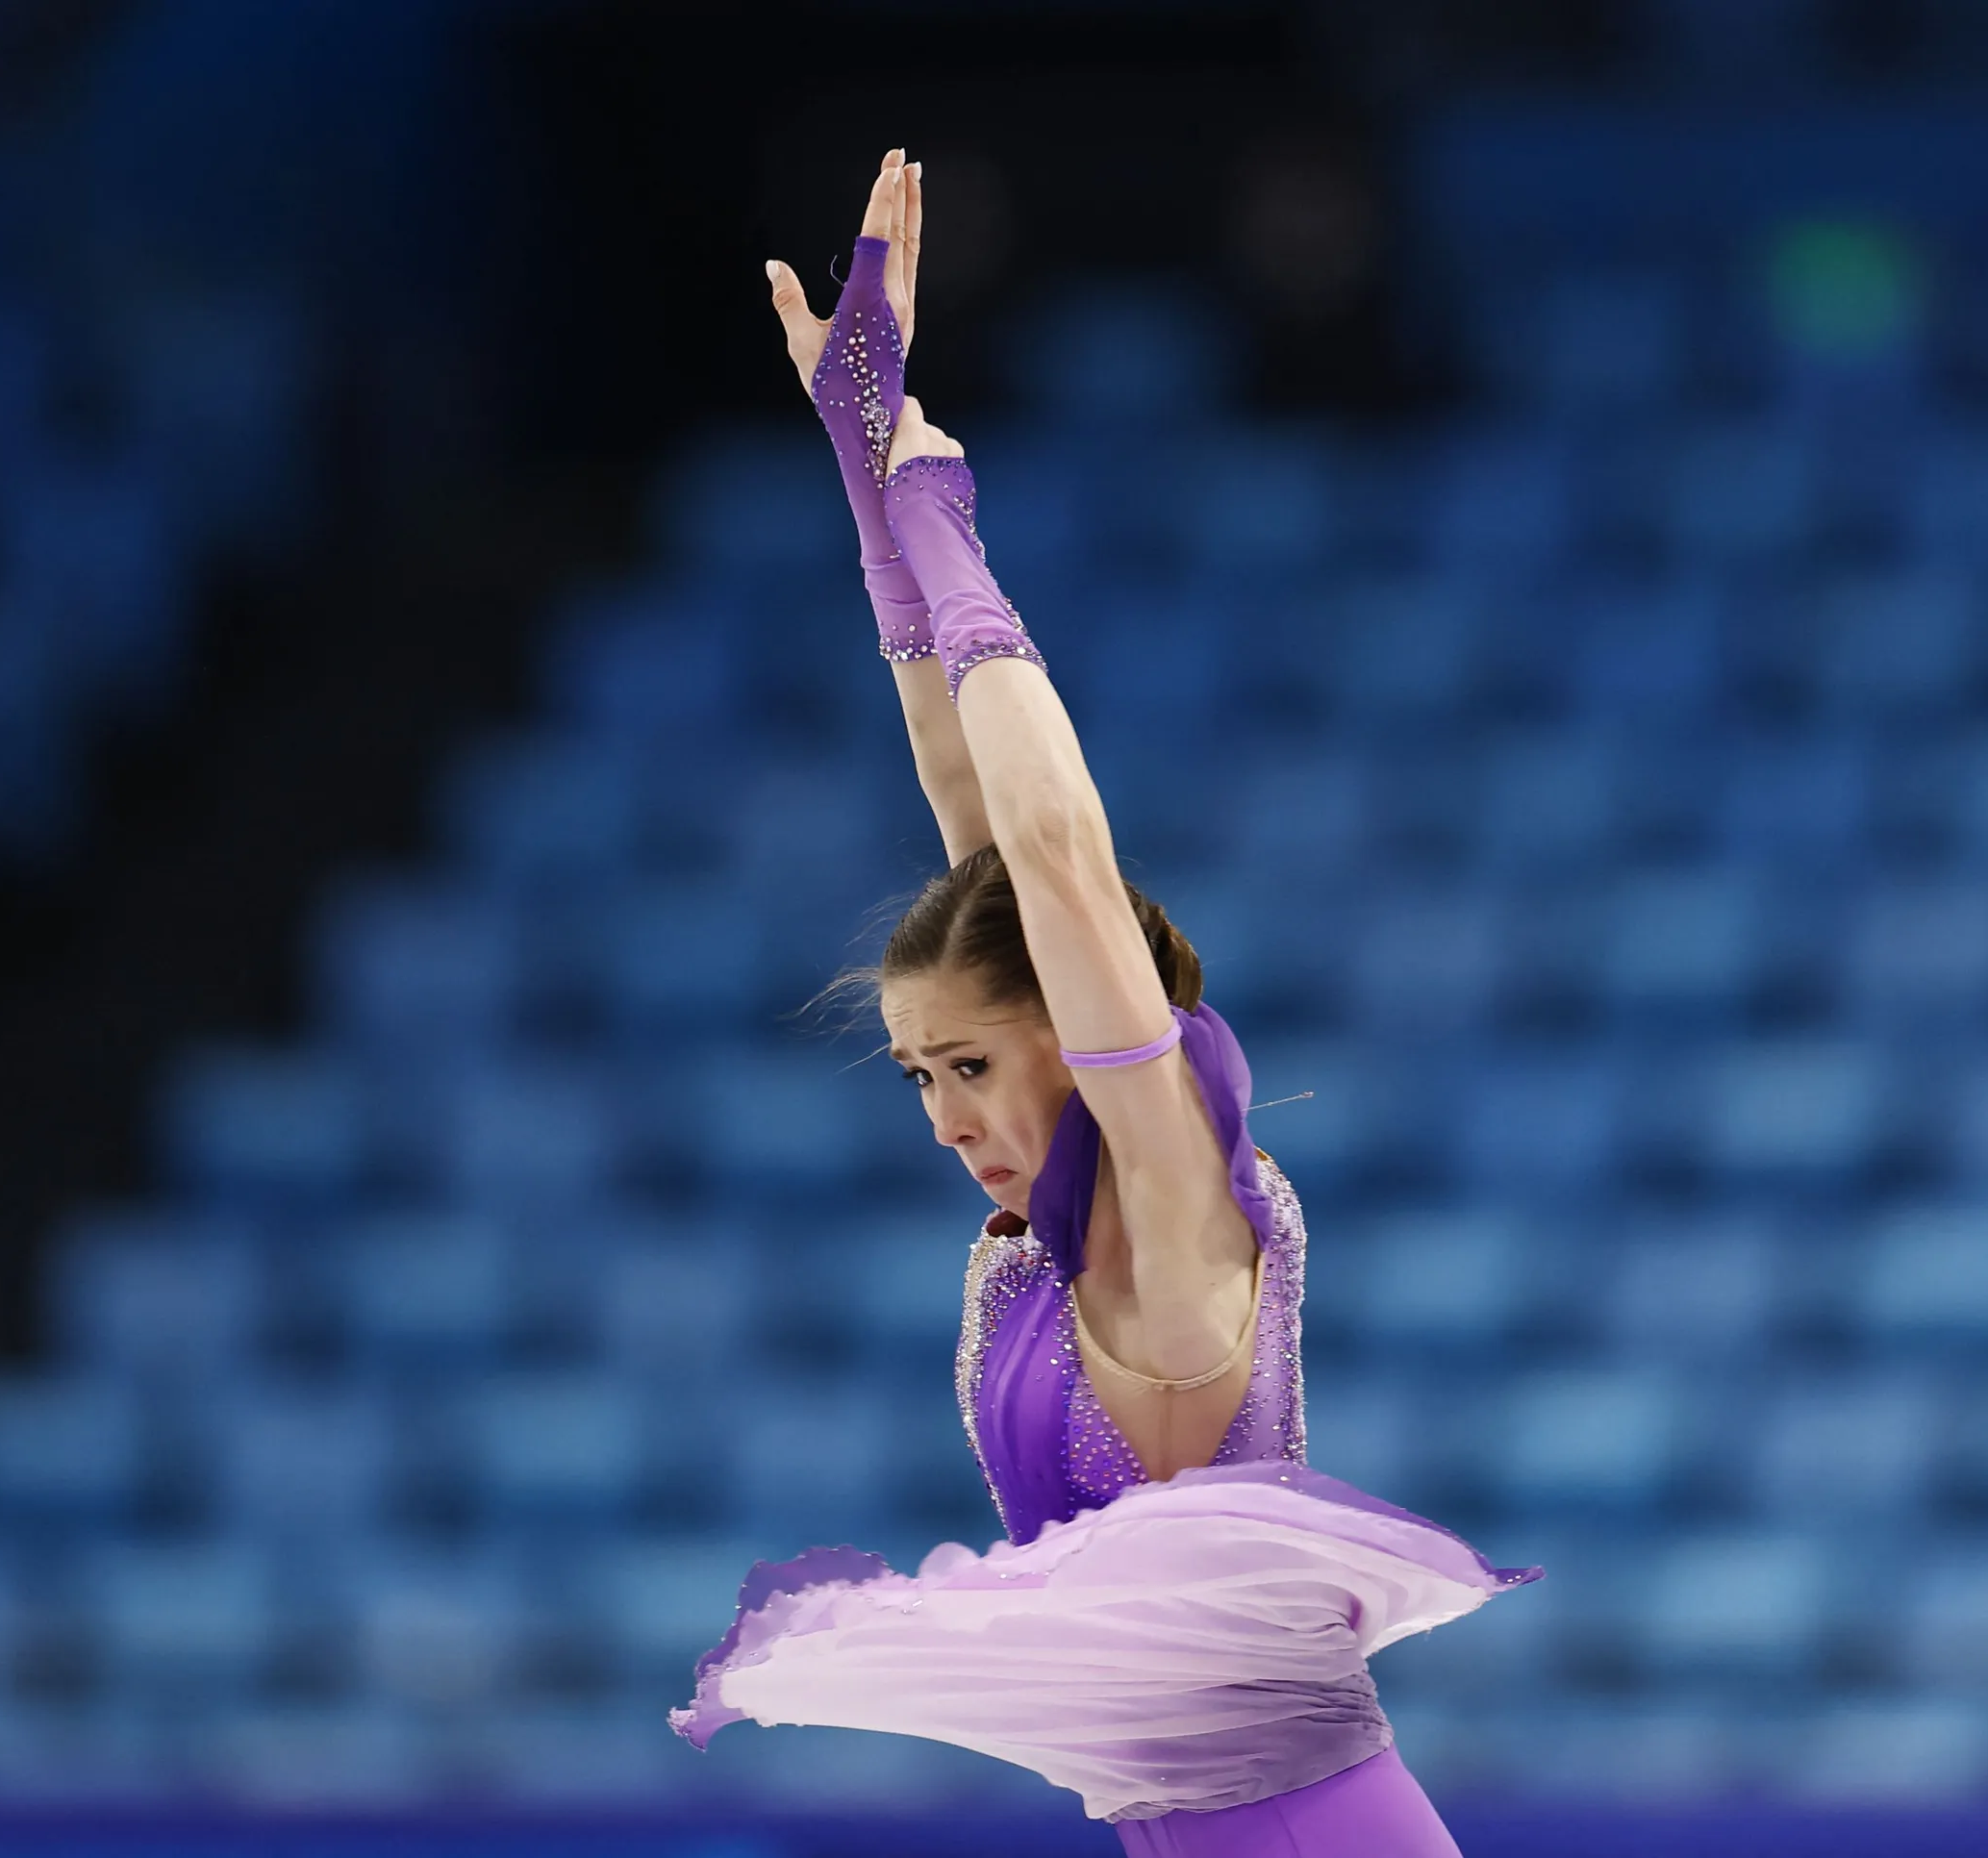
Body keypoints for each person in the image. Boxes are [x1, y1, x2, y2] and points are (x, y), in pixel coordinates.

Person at [668, 153, 1536, 1853]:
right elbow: (972, 800)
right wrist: (864, 447)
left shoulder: (1170, 1198)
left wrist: (935, 506)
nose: (944, 1119)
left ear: (1075, 1032)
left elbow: (1053, 852)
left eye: (968, 1064)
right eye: (918, 1076)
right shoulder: (1066, 1239)